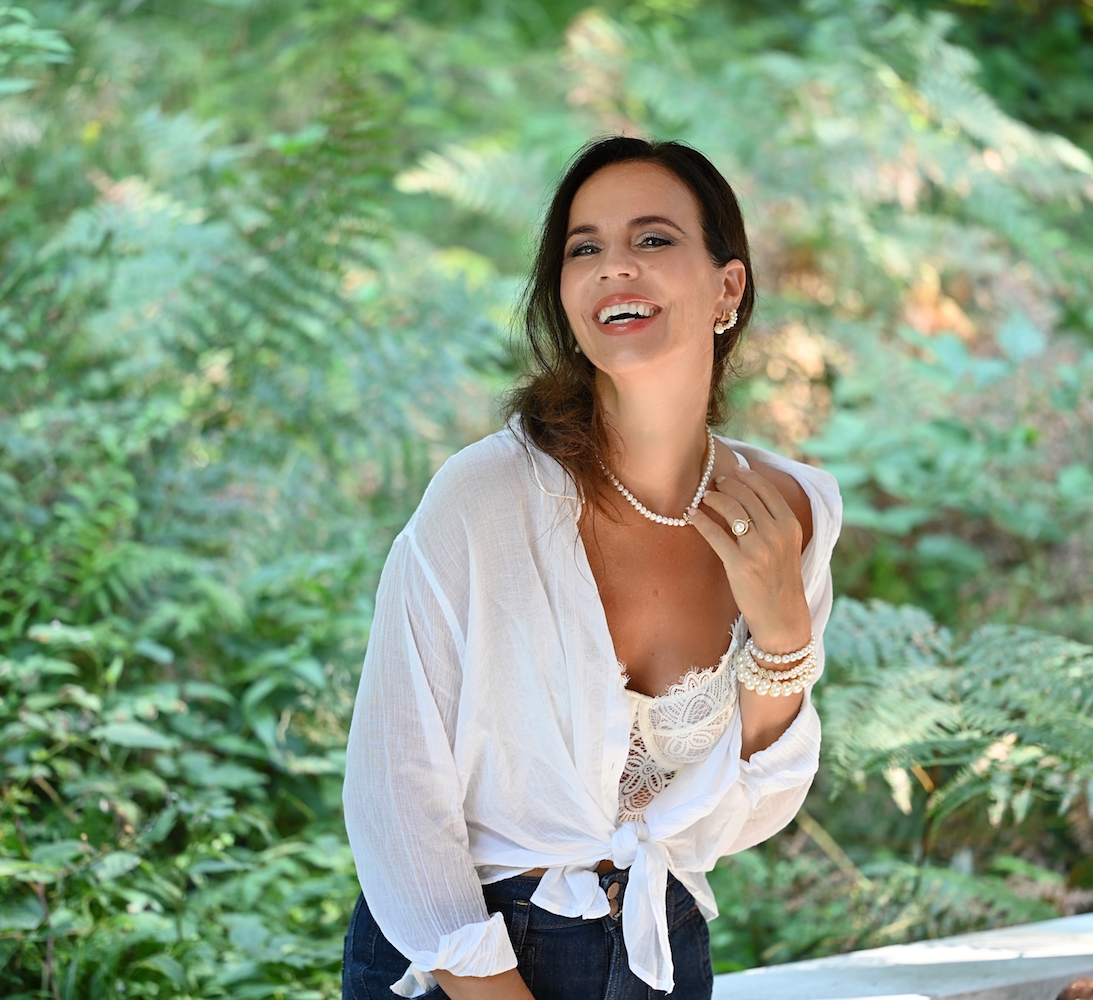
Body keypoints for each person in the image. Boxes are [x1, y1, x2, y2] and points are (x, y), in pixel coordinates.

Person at [342, 135, 842, 1000]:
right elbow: (395, 793)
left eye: (653, 238)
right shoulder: (484, 499)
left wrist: (783, 635)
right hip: (464, 958)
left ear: (728, 287)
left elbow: (750, 807)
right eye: (585, 249)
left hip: (658, 943)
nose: (615, 266)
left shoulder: (790, 510)